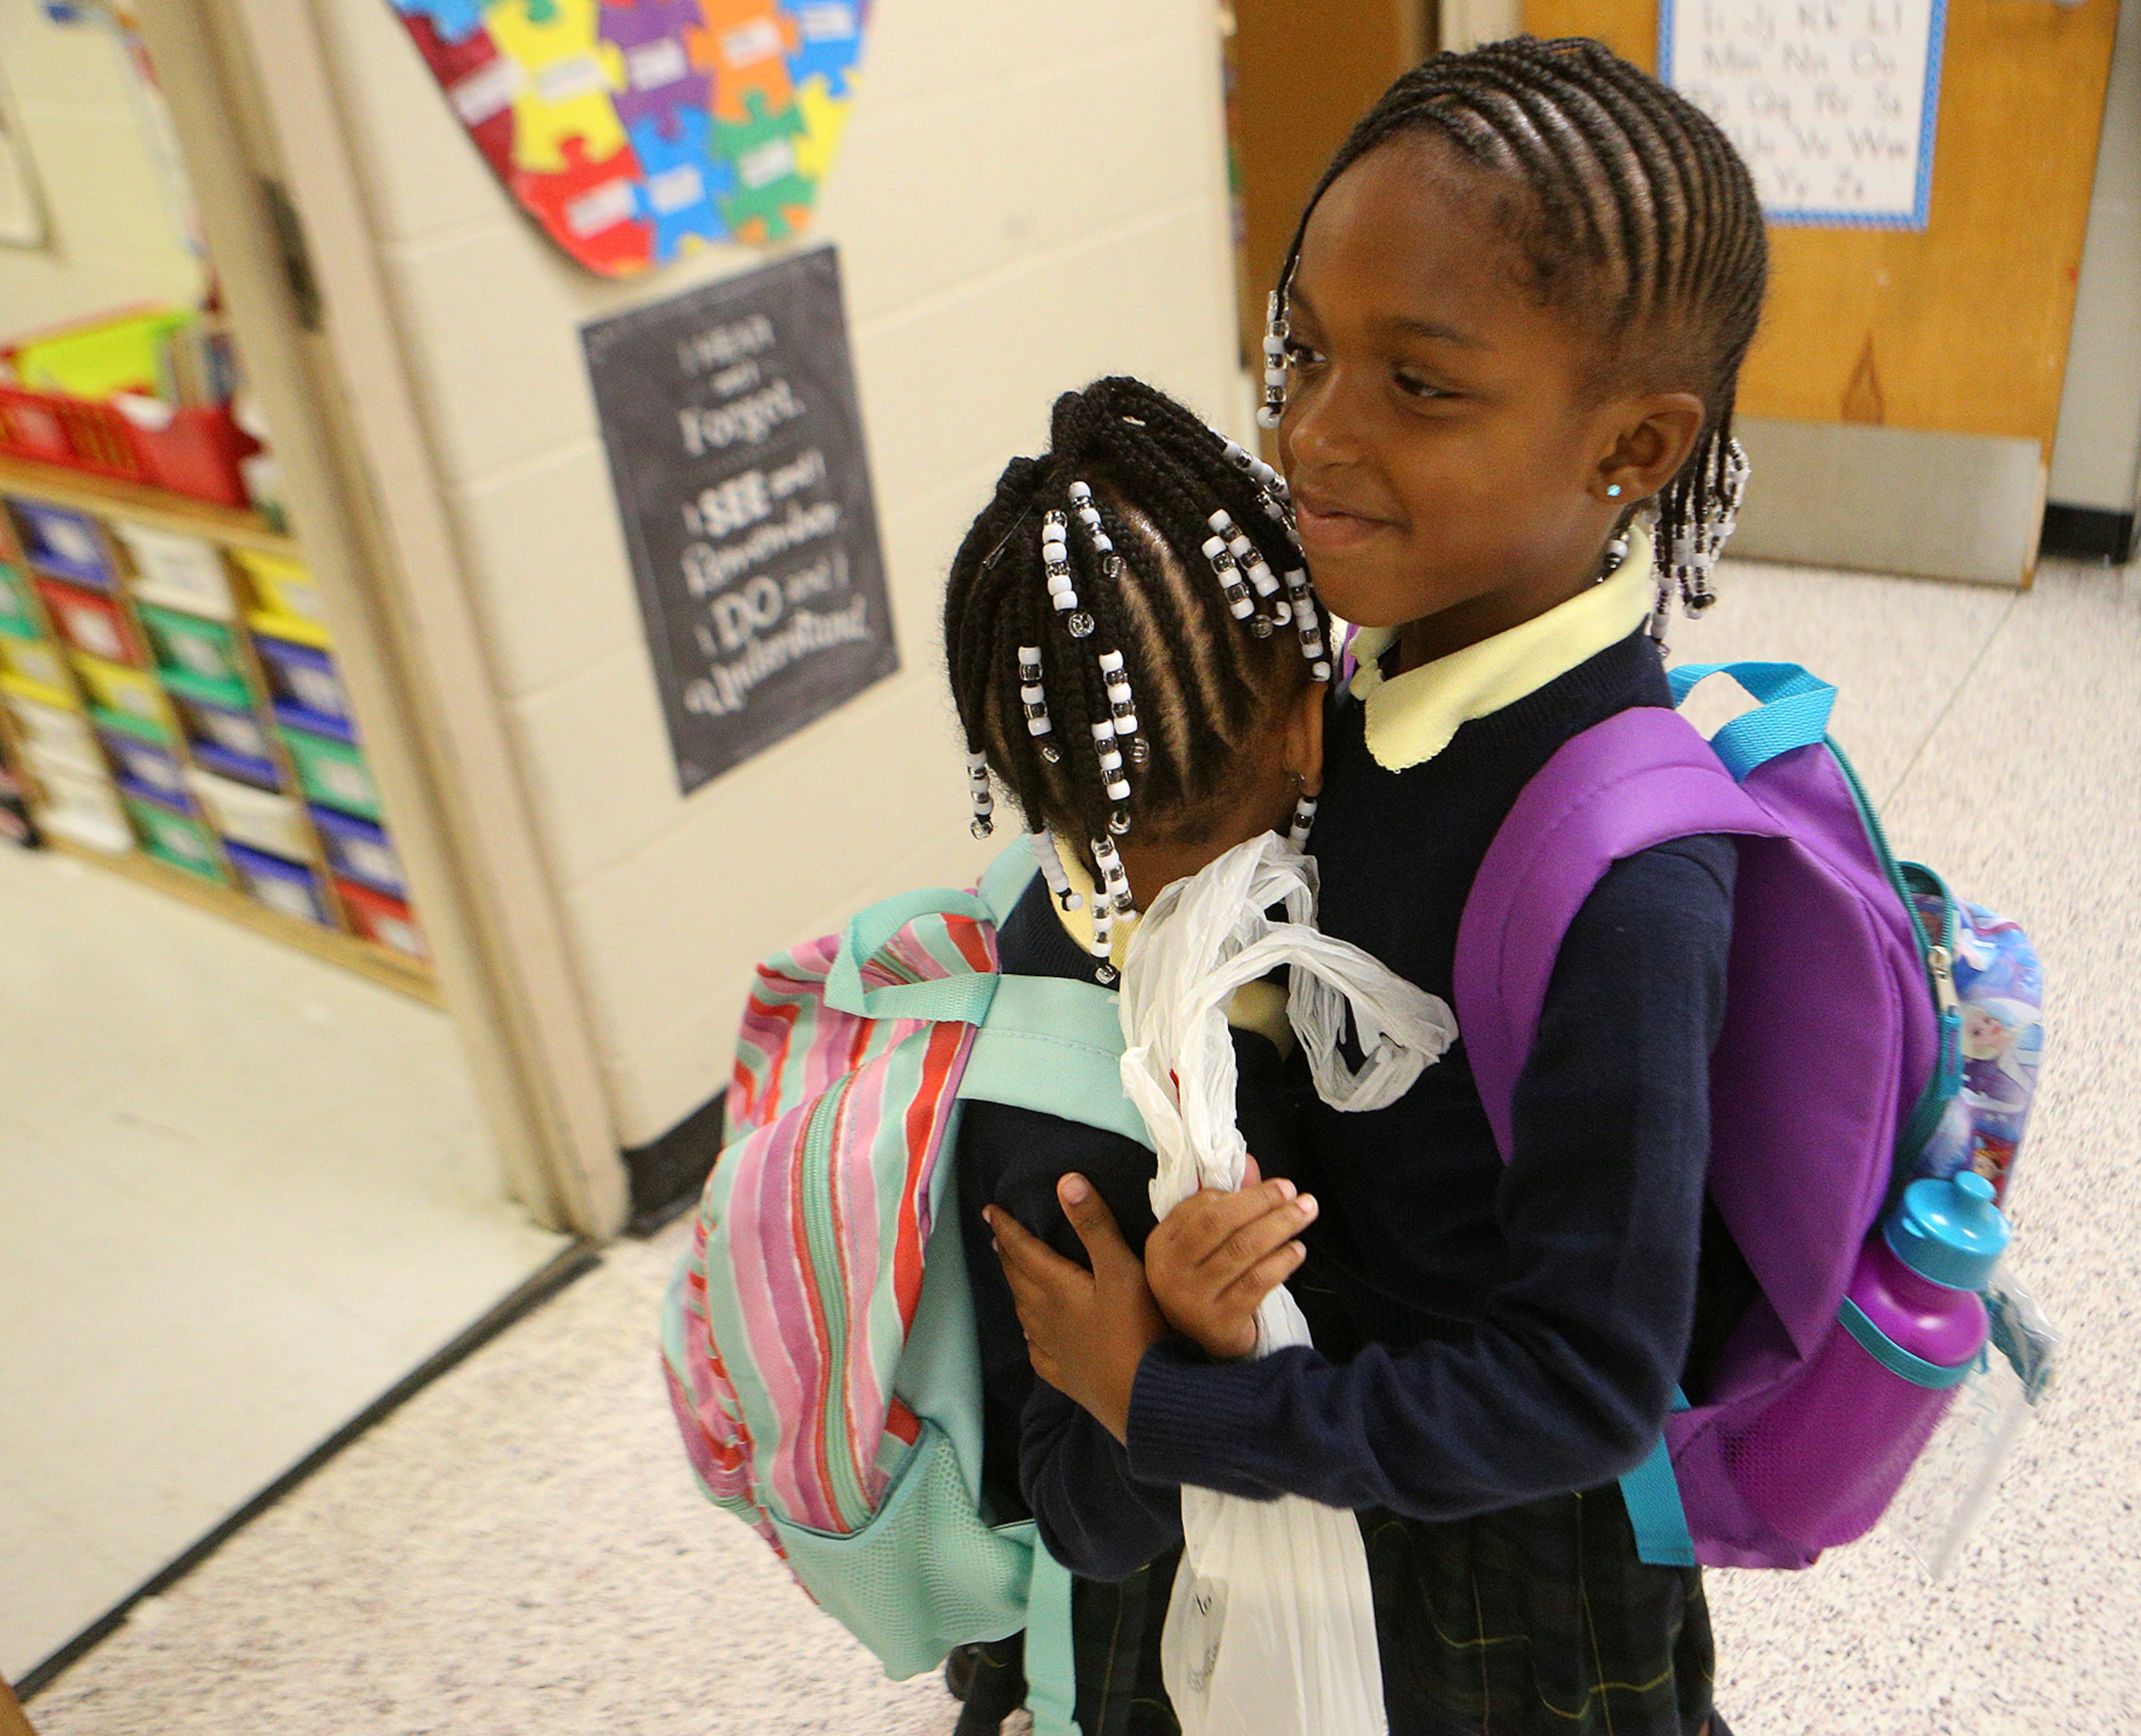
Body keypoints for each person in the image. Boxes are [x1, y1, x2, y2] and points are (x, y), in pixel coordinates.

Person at [989, 37, 1769, 1736]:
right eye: (1301, 351)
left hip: (1471, 1560)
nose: (1310, 436)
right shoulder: (1371, 647)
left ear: (1632, 444)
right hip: (1270, 1407)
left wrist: (1163, 1408)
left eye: (1419, 385)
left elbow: (1578, 1388)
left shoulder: (1632, 888)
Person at [941, 374, 1339, 1735]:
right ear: (1305, 723)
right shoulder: (1077, 1125)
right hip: (1157, 1646)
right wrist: (1166, 1351)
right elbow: (1080, 1519)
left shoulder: (1175, 902)